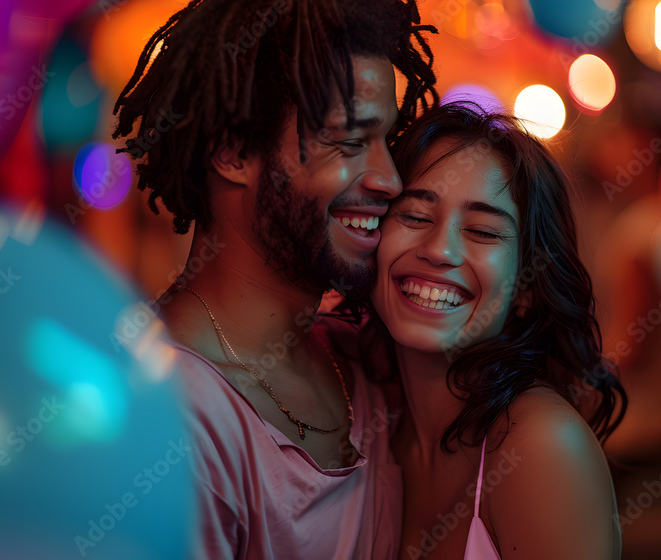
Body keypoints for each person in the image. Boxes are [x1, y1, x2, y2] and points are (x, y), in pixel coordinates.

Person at [111, 0, 437, 558]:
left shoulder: (362, 355)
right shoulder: (171, 419)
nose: (389, 179)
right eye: (350, 142)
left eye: (389, 140)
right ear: (235, 152)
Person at [365, 103, 628, 559]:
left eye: (483, 231)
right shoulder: (368, 419)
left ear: (526, 288)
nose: (439, 250)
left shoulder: (541, 445)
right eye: (414, 216)